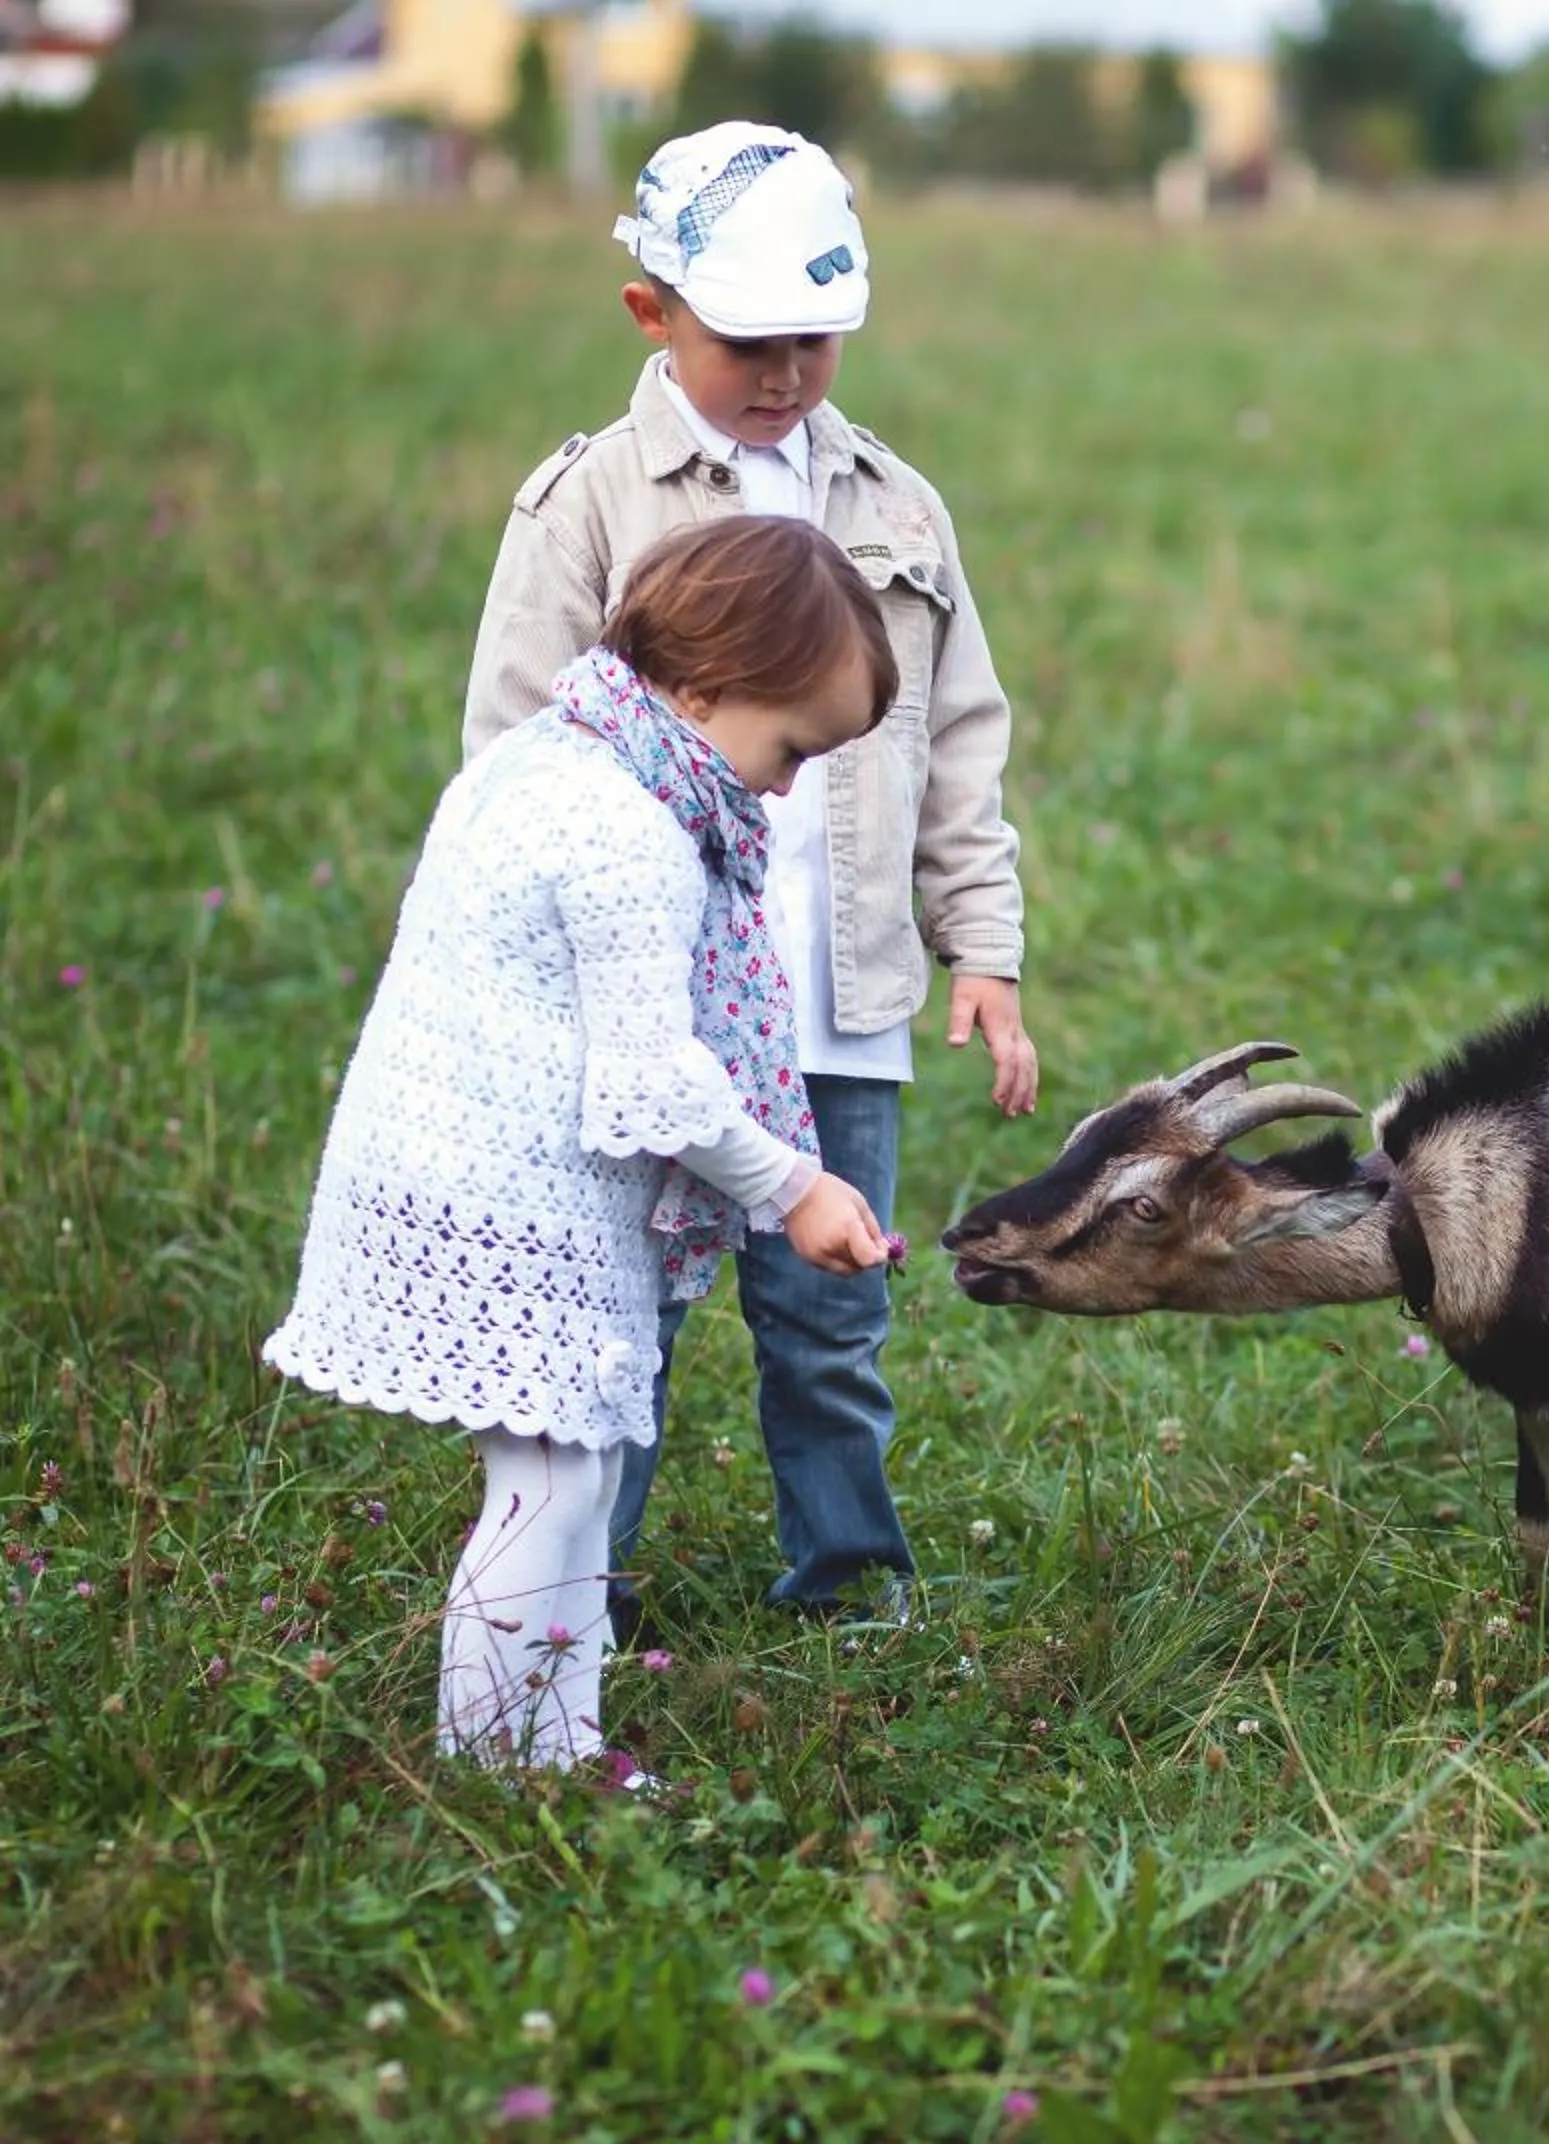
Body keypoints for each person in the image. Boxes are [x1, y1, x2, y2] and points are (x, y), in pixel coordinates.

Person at [461, 121, 1038, 1632]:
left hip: (836, 1003)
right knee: (619, 1320)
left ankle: (849, 1587)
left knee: (831, 1318)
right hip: (646, 1008)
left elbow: (956, 741)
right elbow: (515, 751)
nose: (785, 374)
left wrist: (983, 949)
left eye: (817, 341)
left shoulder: (900, 508)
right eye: (749, 342)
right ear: (652, 312)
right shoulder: (588, 505)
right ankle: (579, 1593)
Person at [266, 518, 900, 1777]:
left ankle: (560, 1744)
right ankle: (490, 1762)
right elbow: (651, 1082)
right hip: (513, 1201)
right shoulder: (628, 831)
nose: (782, 789)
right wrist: (796, 1183)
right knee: (549, 1493)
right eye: (791, 750)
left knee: (573, 1479)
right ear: (705, 686)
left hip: (469, 1175)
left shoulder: (543, 757)